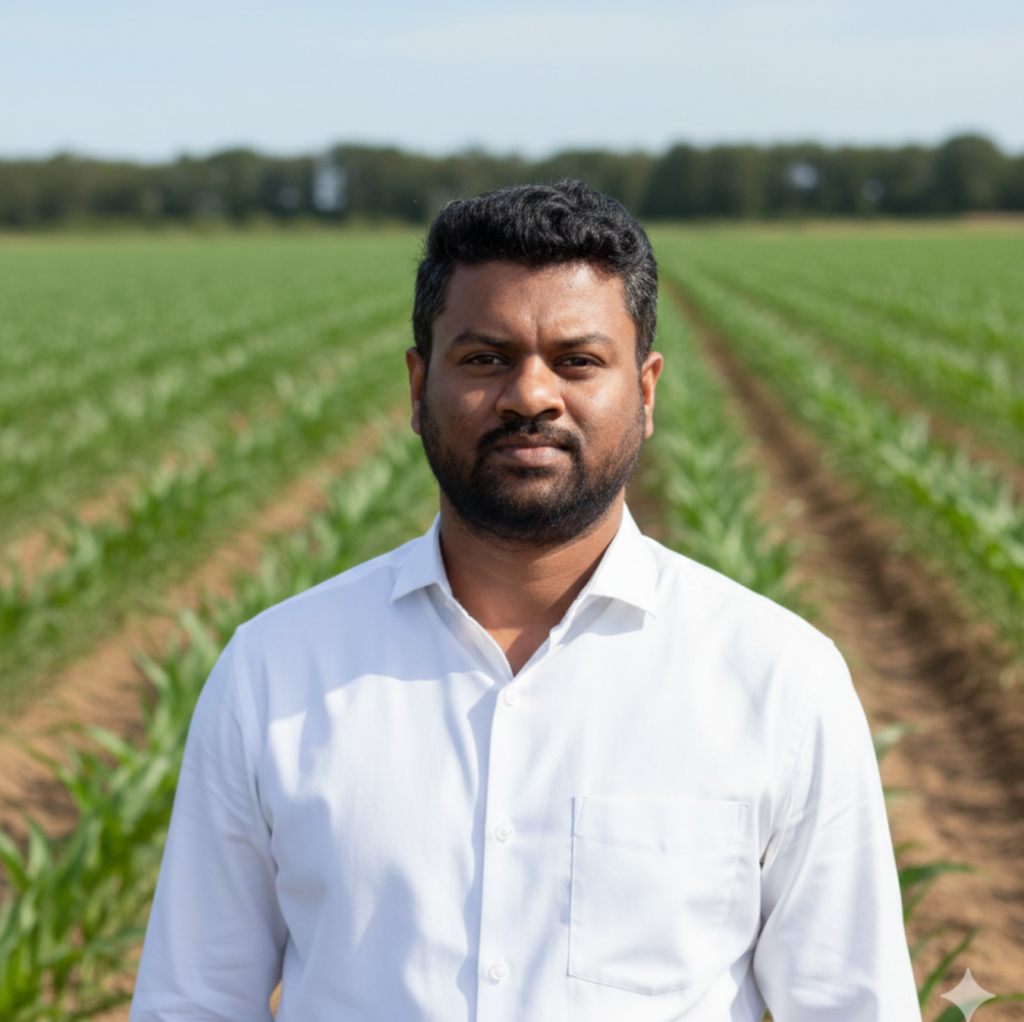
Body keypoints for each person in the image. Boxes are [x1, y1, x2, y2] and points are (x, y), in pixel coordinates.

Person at [130, 181, 921, 1021]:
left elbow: (851, 1004)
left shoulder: (781, 681)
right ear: (416, 385)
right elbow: (196, 1001)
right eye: (484, 359)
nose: (530, 396)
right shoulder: (275, 671)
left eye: (578, 361)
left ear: (646, 392)